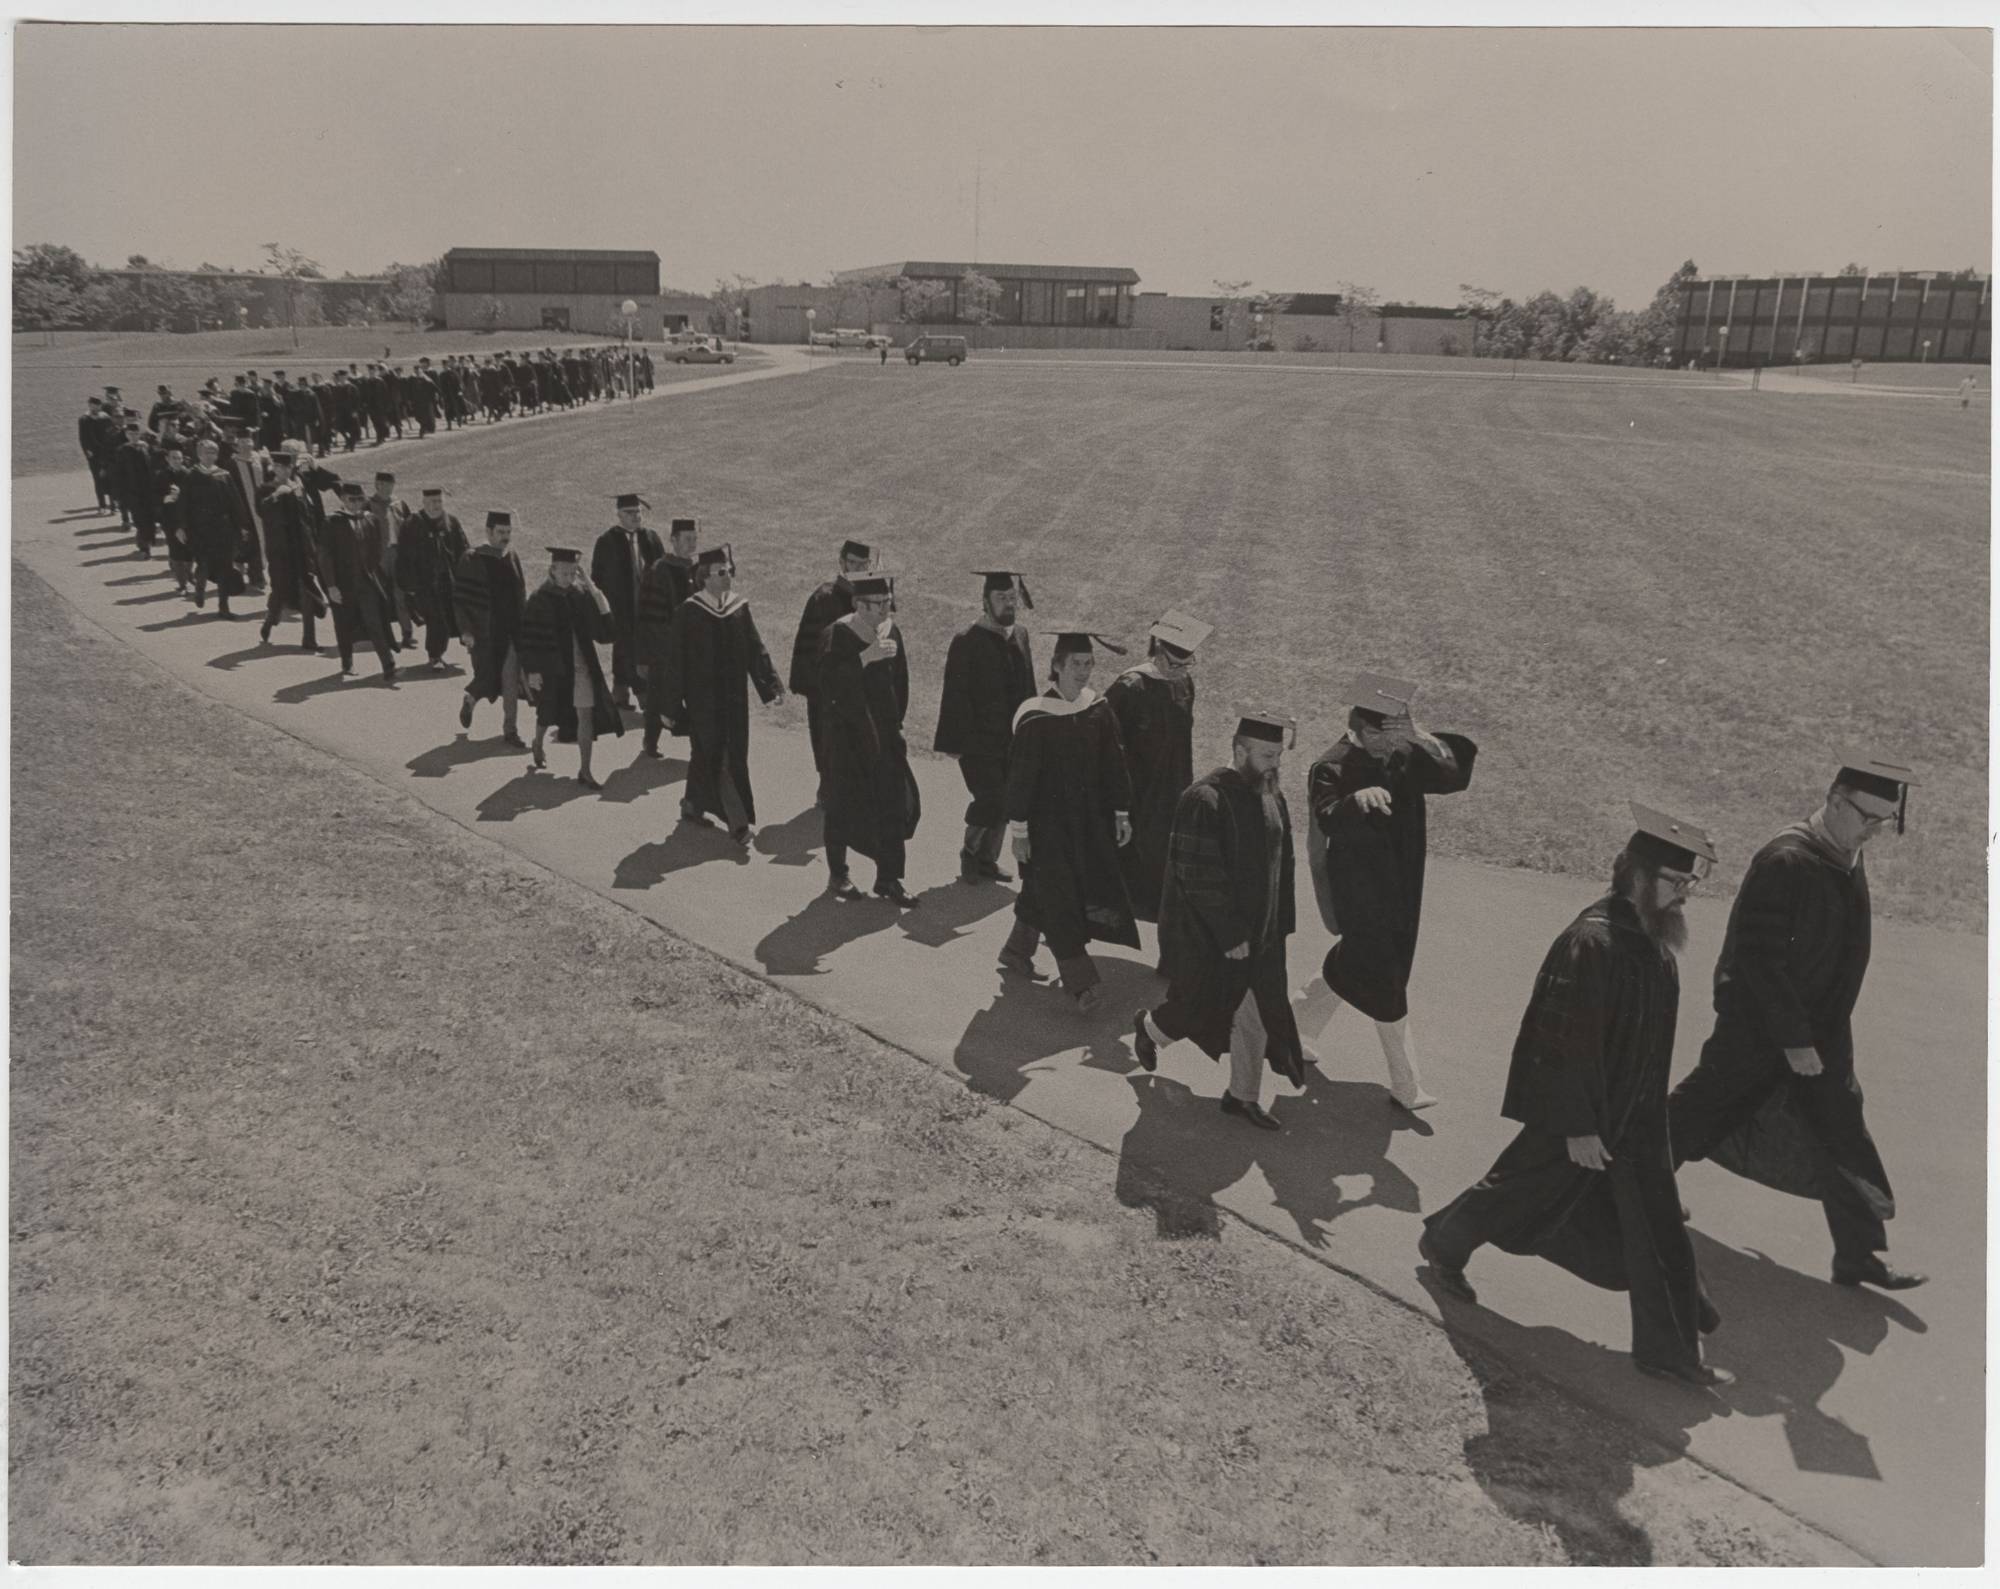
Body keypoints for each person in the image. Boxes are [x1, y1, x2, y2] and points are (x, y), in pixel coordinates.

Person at [1421, 804, 1728, 1391]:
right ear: (1638, 876)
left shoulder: (1653, 943)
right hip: (1582, 1118)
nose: (1686, 895)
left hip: (1636, 1121)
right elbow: (1558, 1044)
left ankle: (1671, 1347)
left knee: (1658, 1221)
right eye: (1676, 882)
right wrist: (1578, 1127)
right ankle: (1444, 1240)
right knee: (1518, 1190)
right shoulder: (1592, 943)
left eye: (1690, 883)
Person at [1668, 758, 1926, 1292]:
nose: (1875, 831)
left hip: (1823, 1030)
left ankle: (1861, 1256)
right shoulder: (1786, 859)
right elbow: (1759, 960)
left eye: (1885, 821)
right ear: (1835, 800)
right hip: (1758, 1029)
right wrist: (1793, 1040)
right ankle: (1618, 1193)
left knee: (1842, 1133)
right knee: (1696, 1116)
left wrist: (1816, 1037)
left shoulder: (1843, 852)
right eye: (1868, 817)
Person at [1294, 673, 1478, 1111]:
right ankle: (1406, 1084)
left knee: (1355, 965)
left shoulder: (1399, 751)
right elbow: (1328, 818)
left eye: (1398, 737)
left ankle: (1291, 1025)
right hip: (1360, 888)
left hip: (1401, 882)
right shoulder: (1332, 765)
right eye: (1385, 739)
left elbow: (1451, 777)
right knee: (1387, 980)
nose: (1393, 749)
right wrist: (1358, 800)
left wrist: (1418, 736)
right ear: (1361, 730)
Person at [1132, 711, 1308, 1130]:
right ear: (1239, 748)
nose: (1274, 763)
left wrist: (1279, 923)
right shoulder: (1204, 799)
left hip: (1260, 935)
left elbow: (1283, 862)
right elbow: (1197, 874)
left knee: (1257, 1013)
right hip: (1210, 936)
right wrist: (1230, 934)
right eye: (1266, 754)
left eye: (1278, 754)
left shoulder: (1270, 794)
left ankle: (1241, 1097)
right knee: (1200, 1006)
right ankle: (1150, 1027)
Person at [998, 626, 1139, 1014]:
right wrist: (1020, 832)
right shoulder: (1037, 717)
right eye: (1076, 663)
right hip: (1047, 828)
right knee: (1059, 897)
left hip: (1087, 824)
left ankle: (1015, 951)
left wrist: (1122, 811)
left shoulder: (1097, 708)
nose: (1084, 670)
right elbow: (1021, 780)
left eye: (1089, 663)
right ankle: (1081, 985)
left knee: (1047, 889)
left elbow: (1115, 762)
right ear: (1056, 666)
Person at [657, 543, 785, 844]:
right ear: (704, 577)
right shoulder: (689, 612)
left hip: (734, 700)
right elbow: (676, 662)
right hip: (703, 701)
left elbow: (755, 649)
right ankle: (737, 822)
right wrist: (670, 705)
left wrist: (771, 685)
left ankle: (692, 804)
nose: (729, 577)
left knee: (712, 755)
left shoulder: (738, 607)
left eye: (730, 571)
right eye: (722, 572)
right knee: (721, 756)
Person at [819, 571, 920, 906]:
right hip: (847, 737)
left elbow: (900, 683)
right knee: (841, 804)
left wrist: (894, 723)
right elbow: (829, 686)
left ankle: (889, 878)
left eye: (887, 603)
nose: (884, 611)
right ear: (857, 604)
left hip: (885, 735)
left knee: (891, 803)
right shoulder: (839, 634)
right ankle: (838, 873)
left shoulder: (892, 632)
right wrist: (865, 658)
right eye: (877, 604)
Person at [1105, 610, 1209, 925]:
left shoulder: (1184, 684)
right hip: (1137, 789)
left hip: (1172, 785)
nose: (1181, 671)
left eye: (1187, 664)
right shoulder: (1130, 686)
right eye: (1176, 664)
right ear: (1159, 651)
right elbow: (1107, 742)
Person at [934, 571, 1038, 882]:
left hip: (1011, 740)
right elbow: (955, 694)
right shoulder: (967, 641)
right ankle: (970, 853)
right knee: (990, 798)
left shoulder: (1020, 634)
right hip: (978, 743)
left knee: (1008, 800)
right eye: (1001, 598)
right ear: (984, 601)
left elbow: (1028, 685)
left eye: (1011, 598)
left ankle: (988, 860)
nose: (1008, 604)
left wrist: (1033, 727)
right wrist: (954, 744)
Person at [519, 548, 622, 787]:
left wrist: (594, 590)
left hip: (581, 667)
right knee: (547, 712)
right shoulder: (539, 599)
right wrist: (533, 671)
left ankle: (585, 770)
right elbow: (529, 639)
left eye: (573, 573)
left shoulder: (579, 595)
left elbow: (605, 632)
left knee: (585, 715)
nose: (568, 578)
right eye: (564, 573)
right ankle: (537, 741)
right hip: (553, 669)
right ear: (552, 570)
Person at [788, 538, 874, 801]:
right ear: (841, 562)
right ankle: (827, 790)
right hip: (825, 687)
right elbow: (810, 646)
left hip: (858, 684)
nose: (858, 568)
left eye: (863, 563)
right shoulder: (824, 598)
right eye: (852, 563)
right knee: (827, 740)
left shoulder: (871, 598)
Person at [454, 511, 529, 747]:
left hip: (510, 632)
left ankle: (511, 730)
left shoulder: (512, 556)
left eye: (508, 532)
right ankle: (471, 698)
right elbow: (461, 598)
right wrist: (465, 630)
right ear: (488, 532)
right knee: (487, 676)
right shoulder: (472, 558)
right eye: (500, 532)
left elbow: (521, 594)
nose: (505, 537)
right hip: (484, 632)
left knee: (510, 680)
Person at [315, 479, 400, 682]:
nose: (356, 504)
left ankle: (388, 666)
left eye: (360, 499)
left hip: (366, 582)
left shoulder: (370, 520)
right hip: (343, 584)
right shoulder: (332, 522)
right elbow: (324, 556)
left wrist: (374, 572)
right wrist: (331, 586)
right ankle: (347, 662)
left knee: (375, 623)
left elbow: (376, 548)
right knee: (344, 624)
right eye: (351, 500)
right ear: (343, 499)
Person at [590, 492, 666, 710]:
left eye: (638, 512)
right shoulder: (606, 541)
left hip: (647, 606)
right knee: (625, 647)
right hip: (620, 607)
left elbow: (662, 570)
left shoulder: (651, 538)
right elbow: (598, 576)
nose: (635, 516)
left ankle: (621, 693)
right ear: (619, 515)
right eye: (629, 512)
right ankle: (639, 695)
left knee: (637, 649)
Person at [635, 516, 702, 757]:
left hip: (692, 648)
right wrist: (646, 655)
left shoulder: (698, 570)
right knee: (657, 695)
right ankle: (650, 741)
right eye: (687, 539)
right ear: (673, 540)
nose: (691, 544)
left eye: (694, 539)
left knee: (695, 695)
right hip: (663, 648)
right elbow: (646, 615)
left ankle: (699, 744)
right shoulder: (659, 570)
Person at [254, 449, 326, 651]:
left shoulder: (298, 487)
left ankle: (309, 639)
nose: (284, 471)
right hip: (280, 551)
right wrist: (277, 494)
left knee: (307, 592)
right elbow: (261, 510)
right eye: (279, 467)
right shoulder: (266, 489)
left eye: (287, 467)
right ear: (273, 468)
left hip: (301, 548)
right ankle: (270, 619)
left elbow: (308, 517)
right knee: (280, 591)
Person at [397, 488, 470, 671]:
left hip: (448, 580)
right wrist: (408, 585)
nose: (435, 506)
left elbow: (463, 549)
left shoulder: (451, 521)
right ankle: (434, 655)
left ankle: (441, 651)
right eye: (431, 502)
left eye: (438, 501)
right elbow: (404, 557)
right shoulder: (412, 524)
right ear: (423, 503)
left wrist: (467, 573)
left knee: (448, 617)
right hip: (424, 584)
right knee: (436, 619)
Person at [178, 437, 246, 617]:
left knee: (225, 567)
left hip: (223, 528)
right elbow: (183, 503)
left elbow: (235, 502)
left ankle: (223, 607)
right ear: (199, 454)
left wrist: (241, 525)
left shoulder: (223, 474)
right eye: (207, 452)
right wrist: (181, 527)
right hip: (200, 529)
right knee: (204, 563)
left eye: (213, 452)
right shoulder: (192, 475)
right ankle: (200, 589)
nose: (210, 456)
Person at [364, 470, 417, 649]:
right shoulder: (367, 505)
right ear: (376, 485)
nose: (386, 488)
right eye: (382, 485)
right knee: (380, 597)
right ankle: (384, 636)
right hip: (378, 556)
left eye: (390, 485)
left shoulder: (399, 504)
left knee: (400, 594)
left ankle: (407, 634)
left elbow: (410, 529)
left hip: (398, 554)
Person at [109, 419, 161, 555]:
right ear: (126, 434)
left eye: (136, 433)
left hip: (148, 490)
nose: (134, 436)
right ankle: (144, 547)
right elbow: (118, 475)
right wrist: (118, 495)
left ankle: (147, 543)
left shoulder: (146, 447)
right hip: (132, 492)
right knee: (139, 520)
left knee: (150, 519)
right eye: (131, 434)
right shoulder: (122, 451)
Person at [78, 397, 118, 513]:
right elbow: (82, 438)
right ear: (89, 405)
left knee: (110, 478)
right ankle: (102, 505)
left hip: (107, 452)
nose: (96, 407)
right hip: (94, 454)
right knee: (98, 479)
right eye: (93, 405)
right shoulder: (84, 419)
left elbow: (112, 434)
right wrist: (87, 451)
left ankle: (113, 505)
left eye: (97, 405)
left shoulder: (105, 418)